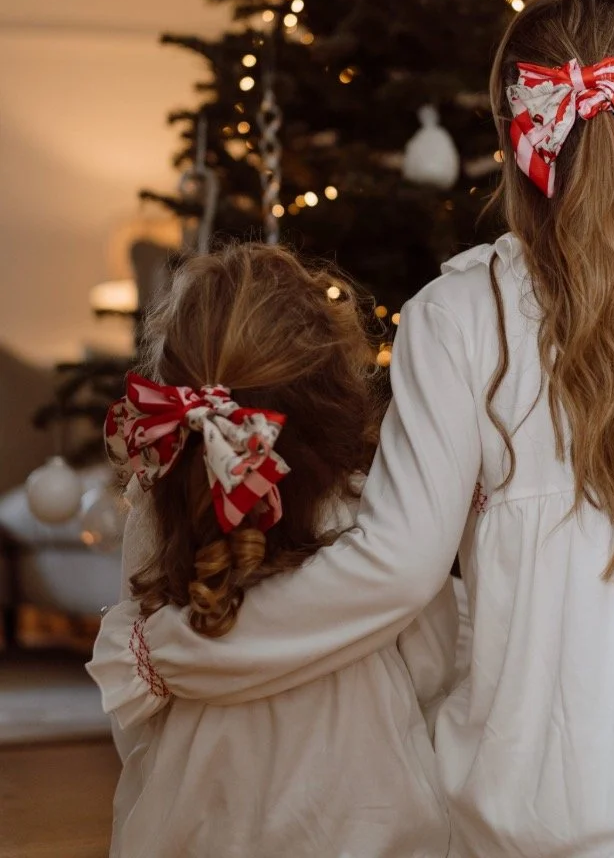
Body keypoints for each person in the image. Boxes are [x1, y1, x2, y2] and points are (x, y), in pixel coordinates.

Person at [90, 0, 614, 858]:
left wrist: (181, 657)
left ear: (515, 140)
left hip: (548, 815)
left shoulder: (467, 315)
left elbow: (394, 572)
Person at [88, 244, 456, 858]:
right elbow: (432, 667)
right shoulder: (367, 509)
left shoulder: (155, 505)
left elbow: (137, 711)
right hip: (364, 824)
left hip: (193, 824)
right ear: (332, 387)